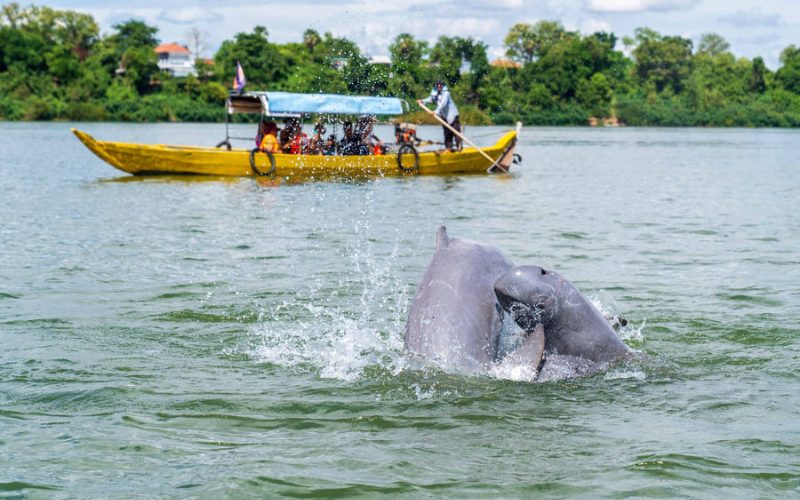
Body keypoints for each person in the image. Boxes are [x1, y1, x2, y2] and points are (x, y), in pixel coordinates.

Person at [420, 80, 461, 152]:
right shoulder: (435, 94)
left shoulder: (446, 94)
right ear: (435, 86)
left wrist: (435, 112)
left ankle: (459, 149)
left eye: (440, 85)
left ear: (442, 86)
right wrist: (422, 101)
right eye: (437, 85)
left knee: (456, 132)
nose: (439, 86)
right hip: (444, 117)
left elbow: (442, 104)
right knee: (447, 134)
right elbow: (430, 100)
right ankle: (448, 148)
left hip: (453, 116)